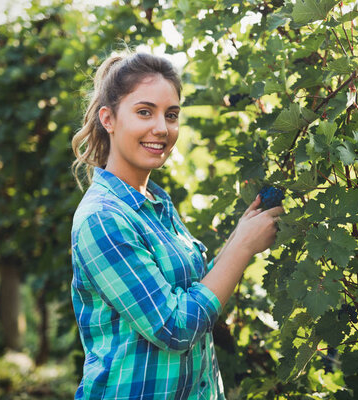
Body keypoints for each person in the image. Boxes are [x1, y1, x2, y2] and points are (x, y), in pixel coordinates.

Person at [70, 51, 283, 400]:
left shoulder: (154, 203)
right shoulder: (103, 218)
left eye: (171, 115)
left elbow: (193, 293)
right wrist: (242, 249)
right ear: (108, 118)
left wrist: (239, 235)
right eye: (144, 112)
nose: (161, 128)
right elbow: (174, 327)